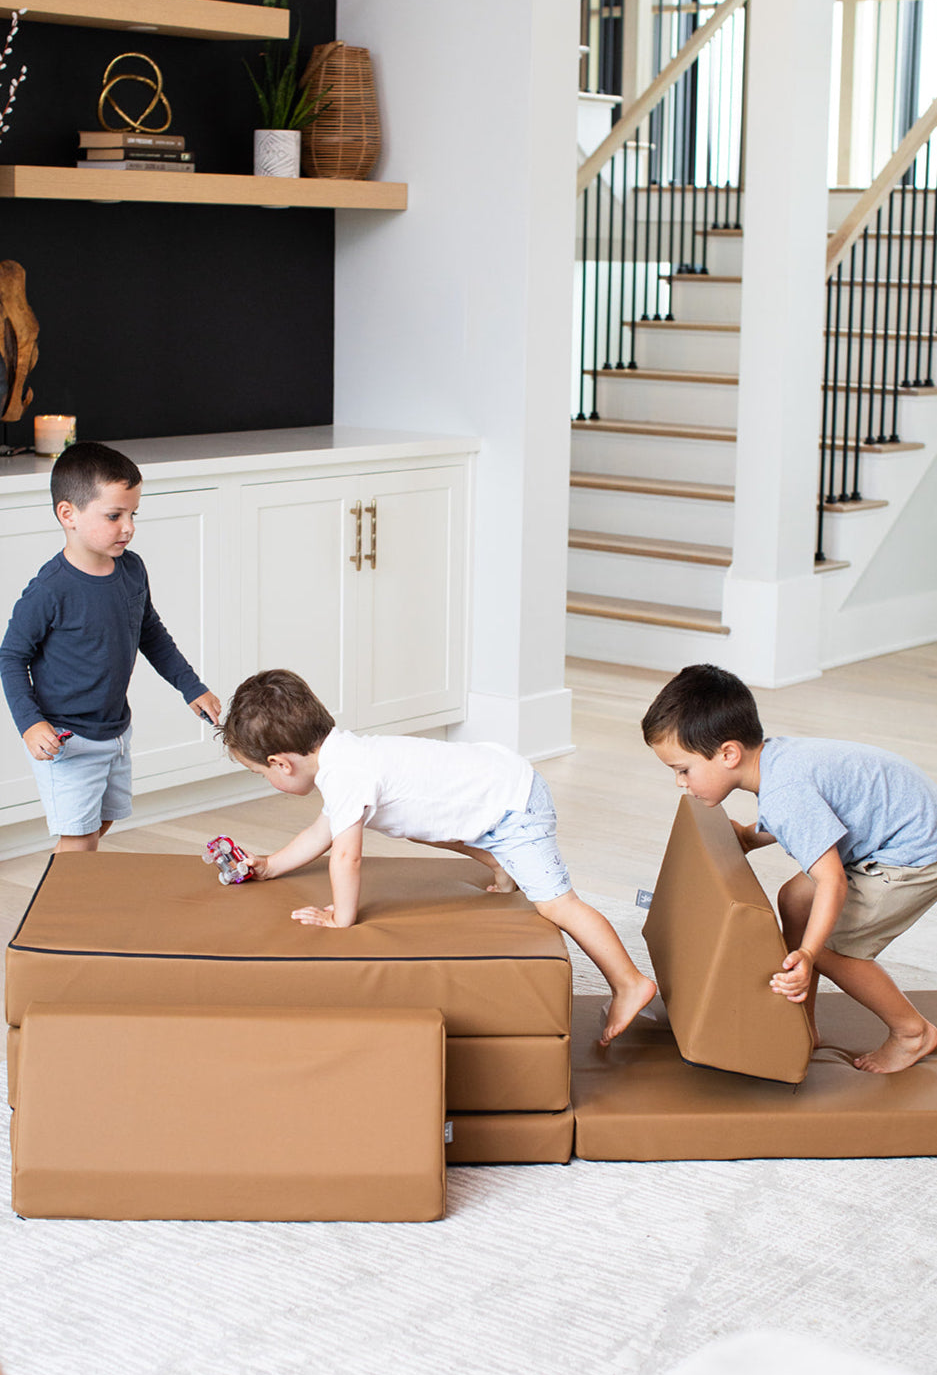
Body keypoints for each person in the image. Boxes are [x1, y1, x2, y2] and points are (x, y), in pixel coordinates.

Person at [221, 667, 656, 1045]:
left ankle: (628, 982)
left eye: (261, 774)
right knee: (407, 821)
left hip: (514, 806)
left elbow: (346, 857)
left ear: (281, 764)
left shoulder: (346, 773)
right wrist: (271, 864)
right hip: (491, 788)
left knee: (557, 904)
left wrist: (342, 918)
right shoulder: (345, 754)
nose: (266, 780)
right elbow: (325, 831)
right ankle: (499, 861)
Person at [641, 662, 937, 1074]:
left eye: (683, 770)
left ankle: (913, 1033)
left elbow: (831, 880)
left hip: (912, 855)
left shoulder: (784, 793)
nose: (680, 783)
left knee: (835, 949)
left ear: (728, 754)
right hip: (895, 824)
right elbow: (812, 816)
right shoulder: (776, 761)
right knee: (794, 899)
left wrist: (812, 952)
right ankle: (800, 1023)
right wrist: (750, 835)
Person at [0, 441, 221, 853]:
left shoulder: (132, 570)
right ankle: (66, 911)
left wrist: (191, 686)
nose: (129, 527)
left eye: (132, 514)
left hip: (115, 730)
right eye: (114, 516)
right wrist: (31, 725)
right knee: (79, 840)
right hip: (65, 737)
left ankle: (67, 886)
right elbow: (11, 656)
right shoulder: (50, 590)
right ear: (68, 514)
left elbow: (150, 632)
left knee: (103, 819)